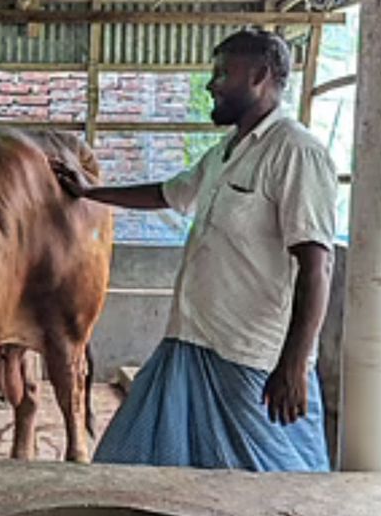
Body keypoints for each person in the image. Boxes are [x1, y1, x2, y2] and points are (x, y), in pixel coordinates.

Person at [56, 29, 337, 471]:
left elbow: (316, 268)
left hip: (251, 358)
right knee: (135, 462)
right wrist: (92, 193)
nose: (211, 83)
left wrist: (294, 365)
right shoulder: (226, 153)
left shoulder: (296, 152)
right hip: (192, 342)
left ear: (261, 76)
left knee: (279, 483)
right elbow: (167, 194)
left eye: (223, 73)